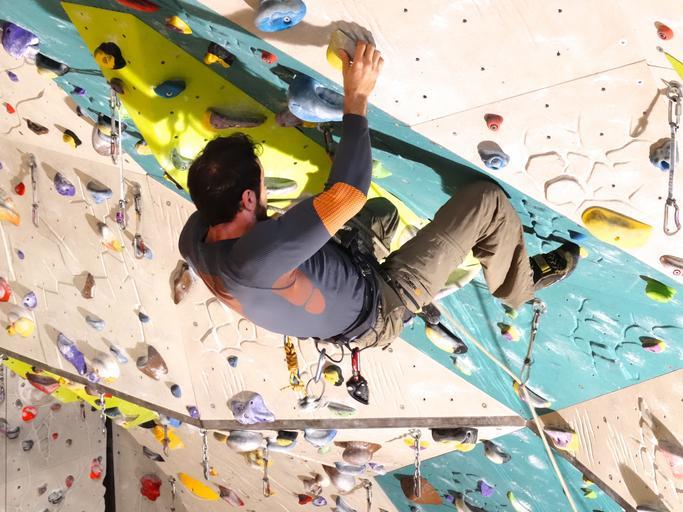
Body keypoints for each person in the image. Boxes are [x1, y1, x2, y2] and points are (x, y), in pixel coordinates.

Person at [179, 42, 579, 351]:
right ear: (248, 200)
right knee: (485, 202)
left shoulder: (195, 238)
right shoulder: (256, 255)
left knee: (382, 213)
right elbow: (348, 194)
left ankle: (405, 255)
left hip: (345, 278)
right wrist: (356, 97)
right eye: (262, 183)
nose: (266, 187)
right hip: (381, 309)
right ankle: (519, 286)